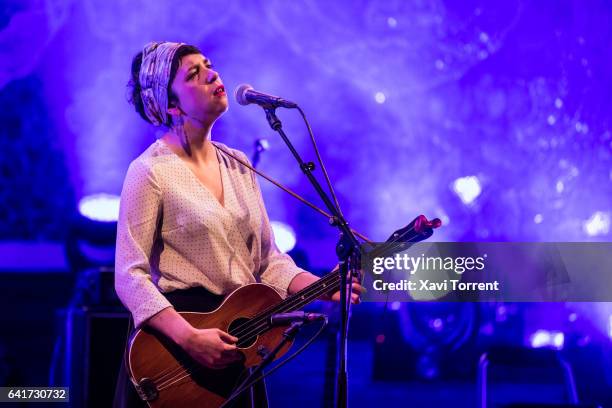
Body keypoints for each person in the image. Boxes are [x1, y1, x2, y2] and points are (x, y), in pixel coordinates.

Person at [114, 41, 362, 407]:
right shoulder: (150, 171)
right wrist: (189, 339)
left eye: (209, 66)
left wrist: (321, 286)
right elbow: (129, 277)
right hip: (178, 347)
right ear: (170, 104)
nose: (213, 75)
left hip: (239, 338)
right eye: (194, 75)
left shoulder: (238, 163)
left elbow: (268, 261)